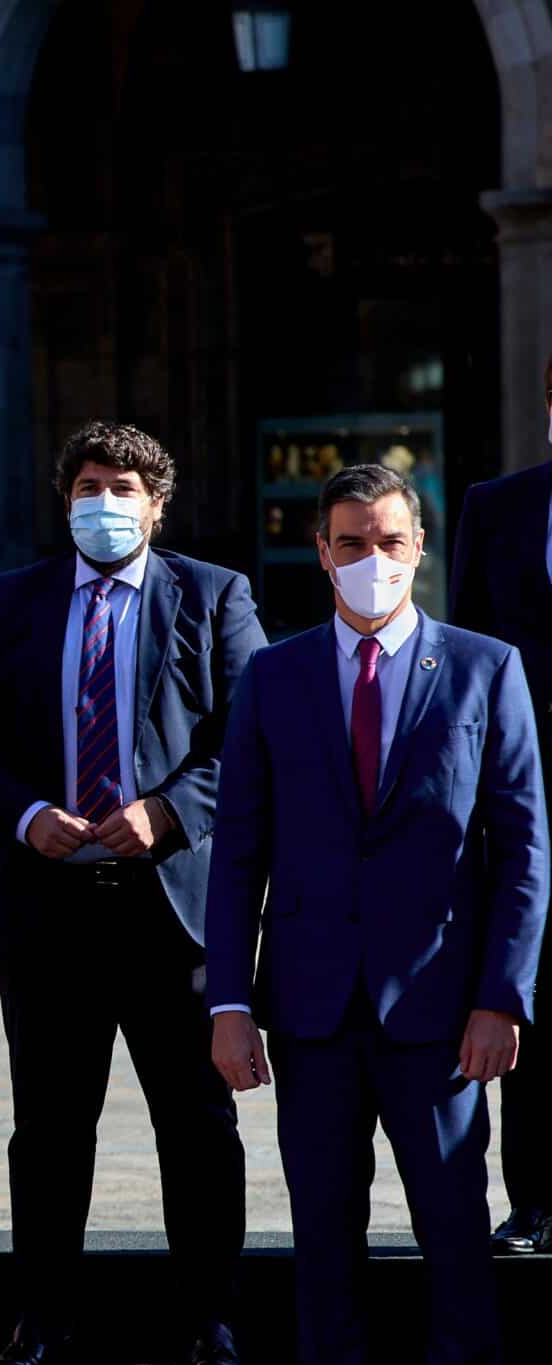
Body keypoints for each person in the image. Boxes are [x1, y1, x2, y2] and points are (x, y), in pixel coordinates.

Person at [208, 463, 548, 1365]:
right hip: (312, 1010)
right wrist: (229, 1002)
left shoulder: (486, 668)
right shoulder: (274, 677)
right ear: (322, 552)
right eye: (351, 542)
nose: (371, 558)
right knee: (322, 1242)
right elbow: (237, 851)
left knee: (455, 1233)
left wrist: (503, 996)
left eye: (388, 542)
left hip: (442, 1013)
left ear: (419, 547)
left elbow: (523, 852)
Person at [0, 422, 262, 1365]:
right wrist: (27, 812)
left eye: (124, 487)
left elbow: (246, 736)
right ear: (63, 497)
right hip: (51, 907)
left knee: (197, 1123)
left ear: (157, 503)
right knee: (48, 1127)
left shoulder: (213, 595)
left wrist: (170, 811)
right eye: (88, 485)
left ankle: (212, 1318)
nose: (104, 503)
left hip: (173, 911)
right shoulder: (10, 601)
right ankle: (41, 1321)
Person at [450, 354, 552, 1257]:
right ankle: (536, 1201)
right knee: (531, 994)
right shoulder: (499, 505)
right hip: (529, 797)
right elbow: (471, 654)